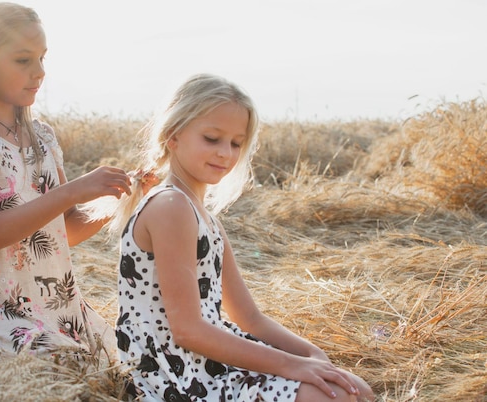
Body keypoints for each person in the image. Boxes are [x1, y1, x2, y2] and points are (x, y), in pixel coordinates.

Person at [110, 74, 375, 401]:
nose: (225, 153)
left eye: (236, 143)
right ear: (173, 136)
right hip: (175, 375)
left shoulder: (204, 216)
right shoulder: (170, 207)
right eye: (211, 138)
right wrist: (293, 367)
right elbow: (188, 330)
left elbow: (249, 317)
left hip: (208, 359)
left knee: (355, 389)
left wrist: (314, 356)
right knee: (335, 396)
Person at [0, 2, 133, 362]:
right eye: (23, 60)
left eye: (42, 59)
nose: (39, 72)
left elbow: (64, 232)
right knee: (72, 369)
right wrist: (73, 190)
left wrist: (119, 197)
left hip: (52, 306)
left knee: (126, 366)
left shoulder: (44, 137)